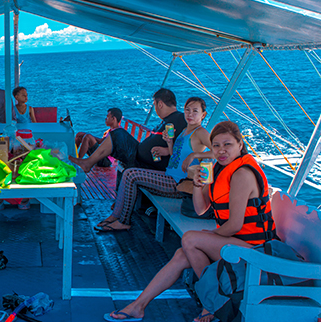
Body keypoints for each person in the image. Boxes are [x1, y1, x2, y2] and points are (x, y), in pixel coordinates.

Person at [103, 121, 276, 322]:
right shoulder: (219, 168)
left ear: (240, 144)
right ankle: (138, 306)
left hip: (256, 248)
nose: (221, 151)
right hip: (235, 241)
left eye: (227, 145)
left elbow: (236, 225)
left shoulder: (242, 174)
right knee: (181, 254)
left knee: (190, 239)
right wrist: (196, 185)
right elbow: (201, 209)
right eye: (216, 145)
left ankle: (212, 303)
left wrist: (211, 235)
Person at [95, 97, 212, 232]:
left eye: (195, 111)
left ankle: (123, 221)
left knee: (131, 174)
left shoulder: (201, 132)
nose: (190, 114)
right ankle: (116, 216)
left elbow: (216, 152)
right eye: (187, 110)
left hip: (178, 183)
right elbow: (176, 155)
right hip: (169, 176)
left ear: (203, 115)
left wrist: (195, 155)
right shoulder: (185, 131)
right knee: (129, 172)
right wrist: (168, 143)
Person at [69, 88, 187, 173]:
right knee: (115, 135)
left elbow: (187, 142)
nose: (155, 109)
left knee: (117, 133)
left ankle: (87, 163)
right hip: (140, 155)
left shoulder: (180, 119)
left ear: (160, 104)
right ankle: (87, 162)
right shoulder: (168, 120)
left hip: (146, 162)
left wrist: (167, 150)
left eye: (154, 105)